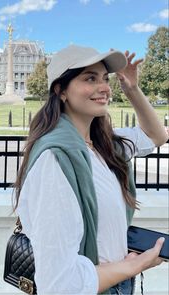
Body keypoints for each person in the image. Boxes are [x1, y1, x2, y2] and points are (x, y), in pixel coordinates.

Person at [14, 45, 168, 295]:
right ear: (61, 90)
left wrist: (132, 89)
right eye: (90, 78)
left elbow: (157, 136)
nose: (104, 87)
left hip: (116, 283)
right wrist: (135, 265)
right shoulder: (55, 159)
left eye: (105, 79)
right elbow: (59, 285)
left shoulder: (106, 145)